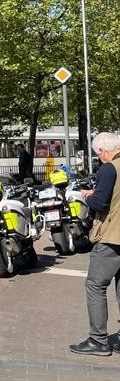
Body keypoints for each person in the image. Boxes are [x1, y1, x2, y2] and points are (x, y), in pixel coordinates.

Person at [70, 132, 120, 356]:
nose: (99, 158)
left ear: (104, 151)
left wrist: (88, 196)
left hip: (113, 236)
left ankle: (98, 340)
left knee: (95, 285)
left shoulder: (109, 168)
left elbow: (100, 202)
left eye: (98, 154)